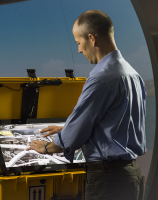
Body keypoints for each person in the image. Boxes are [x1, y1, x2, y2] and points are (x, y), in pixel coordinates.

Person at [27, 10, 146, 200]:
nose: (79, 50)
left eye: (78, 43)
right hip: (131, 175)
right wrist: (66, 128)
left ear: (91, 38)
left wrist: (46, 147)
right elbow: (117, 123)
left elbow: (72, 139)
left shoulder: (100, 78)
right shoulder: (132, 74)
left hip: (108, 181)